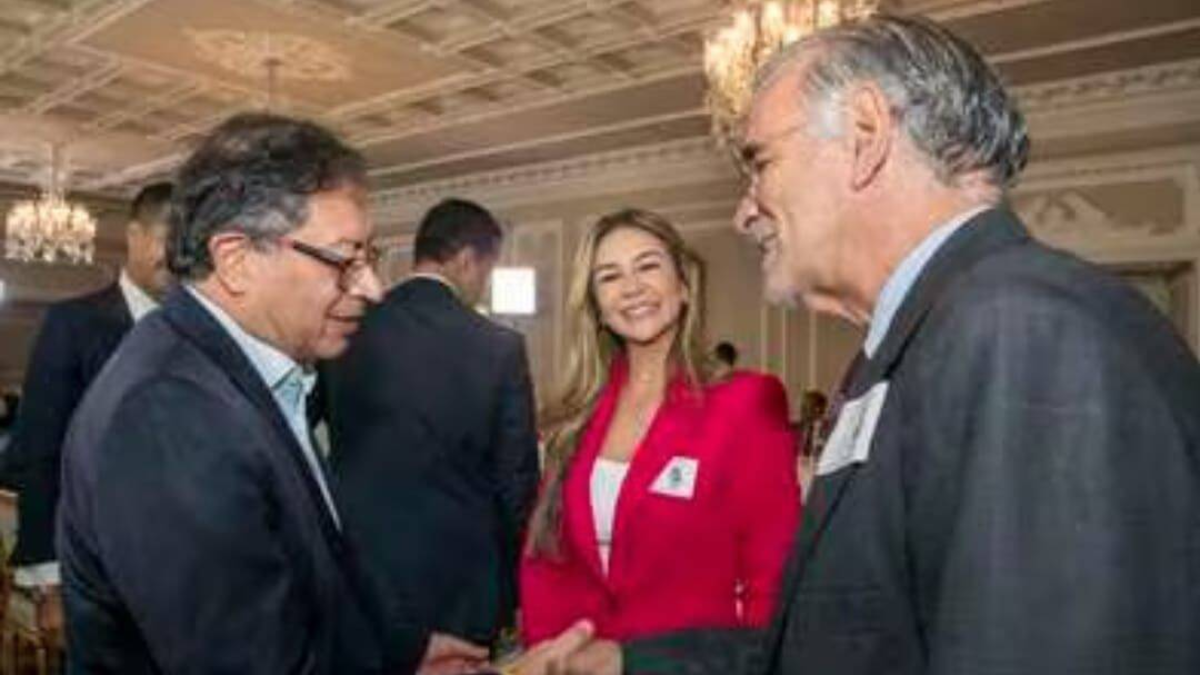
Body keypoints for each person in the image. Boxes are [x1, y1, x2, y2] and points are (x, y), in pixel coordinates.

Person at [516, 14, 1200, 675]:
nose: (744, 211)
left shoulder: (1022, 330)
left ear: (866, 134)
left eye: (760, 163)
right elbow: (837, 643)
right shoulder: (910, 350)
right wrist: (629, 661)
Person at [57, 113, 487, 674]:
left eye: (370, 258)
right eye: (344, 260)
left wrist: (402, 653)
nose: (372, 288)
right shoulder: (169, 412)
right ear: (236, 261)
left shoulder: (243, 370)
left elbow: (309, 579)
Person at [519, 208, 799, 646]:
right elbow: (546, 563)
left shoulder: (746, 403)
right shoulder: (577, 414)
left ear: (683, 286)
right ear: (596, 308)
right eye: (609, 276)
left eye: (648, 266)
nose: (631, 287)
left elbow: (772, 574)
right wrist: (548, 655)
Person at [325, 198, 539, 651]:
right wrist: (517, 593)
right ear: (467, 260)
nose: (481, 286)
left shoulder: (346, 327)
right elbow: (516, 486)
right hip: (461, 584)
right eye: (486, 272)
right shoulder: (499, 347)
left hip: (358, 576)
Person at [7, 181, 173, 641]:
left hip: (191, 575)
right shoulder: (73, 324)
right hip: (98, 572)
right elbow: (40, 451)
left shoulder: (208, 331)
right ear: (134, 236)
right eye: (167, 239)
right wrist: (50, 579)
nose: (177, 256)